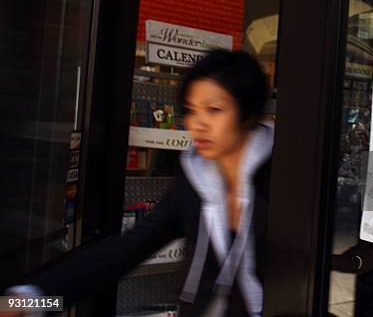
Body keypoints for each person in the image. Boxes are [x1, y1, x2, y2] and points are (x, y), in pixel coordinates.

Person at [5, 49, 273, 316]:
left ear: (248, 113)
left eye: (214, 110)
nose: (198, 124)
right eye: (191, 110)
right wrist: (29, 301)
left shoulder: (286, 182)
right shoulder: (194, 183)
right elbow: (125, 251)